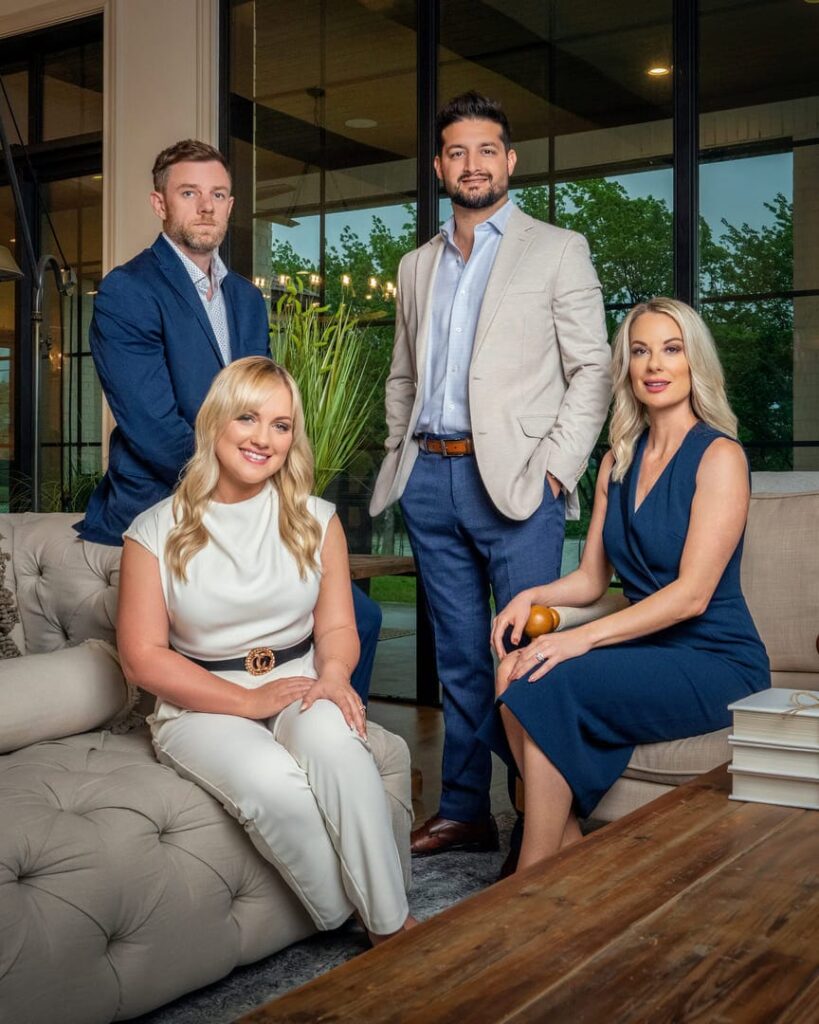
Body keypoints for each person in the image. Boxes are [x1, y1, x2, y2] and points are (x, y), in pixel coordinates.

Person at [369, 92, 611, 855]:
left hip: (517, 485)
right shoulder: (416, 265)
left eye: (485, 150)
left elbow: (593, 368)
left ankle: (539, 822)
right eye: (456, 152)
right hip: (430, 479)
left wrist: (557, 469)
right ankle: (464, 810)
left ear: (508, 160)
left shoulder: (557, 249)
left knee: (525, 657)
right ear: (438, 166)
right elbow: (402, 375)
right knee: (459, 657)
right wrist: (400, 452)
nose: (471, 164)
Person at [117, 356, 416, 943]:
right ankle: (354, 915)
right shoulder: (153, 530)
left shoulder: (316, 519)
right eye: (248, 418)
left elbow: (338, 626)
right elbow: (141, 657)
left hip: (301, 680)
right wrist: (247, 701)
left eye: (281, 425)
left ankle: (393, 927)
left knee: (341, 752)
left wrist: (334, 676)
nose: (263, 439)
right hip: (200, 704)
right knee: (272, 782)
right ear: (216, 422)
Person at [76, 138, 381, 702]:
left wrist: (258, 495)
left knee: (358, 617)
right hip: (166, 502)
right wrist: (237, 490)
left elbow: (263, 404)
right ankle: (254, 722)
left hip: (244, 502)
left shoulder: (244, 298)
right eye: (189, 193)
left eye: (218, 195)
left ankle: (322, 718)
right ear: (159, 203)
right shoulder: (128, 290)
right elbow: (151, 426)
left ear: (231, 205)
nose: (206, 207)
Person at [483, 297, 770, 872]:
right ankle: (570, 854)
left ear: (694, 362)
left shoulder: (719, 456)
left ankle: (532, 871)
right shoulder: (618, 461)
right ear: (627, 367)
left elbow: (692, 595)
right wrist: (531, 596)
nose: (654, 364)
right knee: (512, 666)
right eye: (640, 351)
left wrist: (577, 640)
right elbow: (592, 579)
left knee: (544, 676)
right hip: (648, 649)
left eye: (671, 349)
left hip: (717, 660)